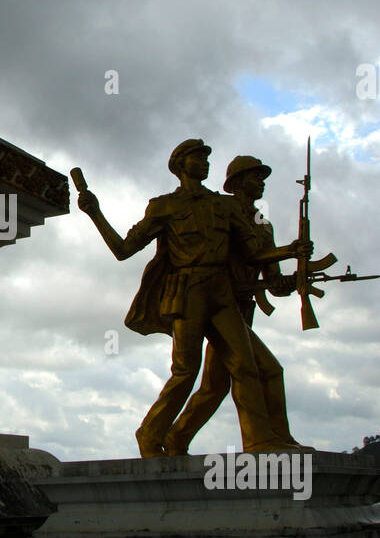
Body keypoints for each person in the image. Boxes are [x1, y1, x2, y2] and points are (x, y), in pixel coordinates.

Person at [77, 139, 312, 457]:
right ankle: (150, 434)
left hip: (221, 292)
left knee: (245, 365)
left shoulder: (224, 206)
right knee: (186, 371)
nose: (205, 162)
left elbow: (255, 253)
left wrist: (290, 249)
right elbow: (123, 250)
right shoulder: (163, 206)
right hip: (187, 292)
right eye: (197, 157)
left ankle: (259, 441)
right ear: (180, 165)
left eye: (206, 158)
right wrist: (96, 214)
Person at [163, 155, 306, 455]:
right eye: (256, 177)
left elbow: (272, 280)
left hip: (242, 309)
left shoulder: (263, 226)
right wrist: (289, 251)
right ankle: (261, 439)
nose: (262, 183)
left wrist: (291, 281)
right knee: (263, 369)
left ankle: (178, 438)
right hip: (217, 308)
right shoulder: (219, 213)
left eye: (262, 178)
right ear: (238, 183)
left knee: (215, 387)